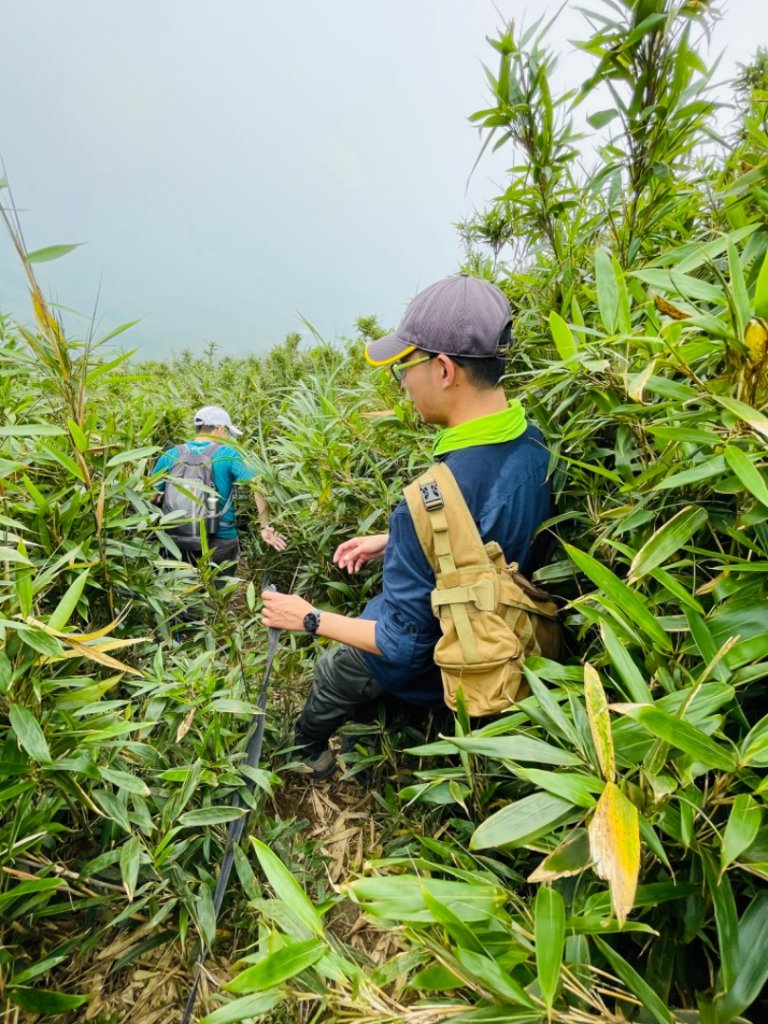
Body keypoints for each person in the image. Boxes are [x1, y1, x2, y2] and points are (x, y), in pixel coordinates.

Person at [261, 274, 551, 779]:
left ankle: (307, 754)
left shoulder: (430, 497)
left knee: (335, 670)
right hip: (511, 635)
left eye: (404, 367)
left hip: (442, 659)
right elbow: (488, 537)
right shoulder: (534, 445)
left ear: (442, 369)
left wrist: (306, 616)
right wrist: (396, 539)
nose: (402, 383)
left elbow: (404, 644)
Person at [153, 404, 287, 571]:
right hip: (220, 540)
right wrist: (265, 526)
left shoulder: (170, 454)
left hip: (176, 540)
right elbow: (258, 485)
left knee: (180, 594)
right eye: (228, 432)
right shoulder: (228, 454)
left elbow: (151, 495)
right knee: (219, 595)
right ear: (219, 429)